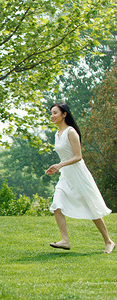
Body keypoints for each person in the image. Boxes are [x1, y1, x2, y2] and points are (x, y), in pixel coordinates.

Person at [45, 103, 114, 254]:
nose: (52, 116)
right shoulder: (57, 134)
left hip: (78, 174)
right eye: (51, 113)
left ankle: (108, 241)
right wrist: (57, 167)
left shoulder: (71, 132)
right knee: (57, 204)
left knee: (92, 208)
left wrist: (60, 165)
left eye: (55, 113)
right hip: (66, 175)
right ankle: (65, 241)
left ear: (64, 114)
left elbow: (78, 156)